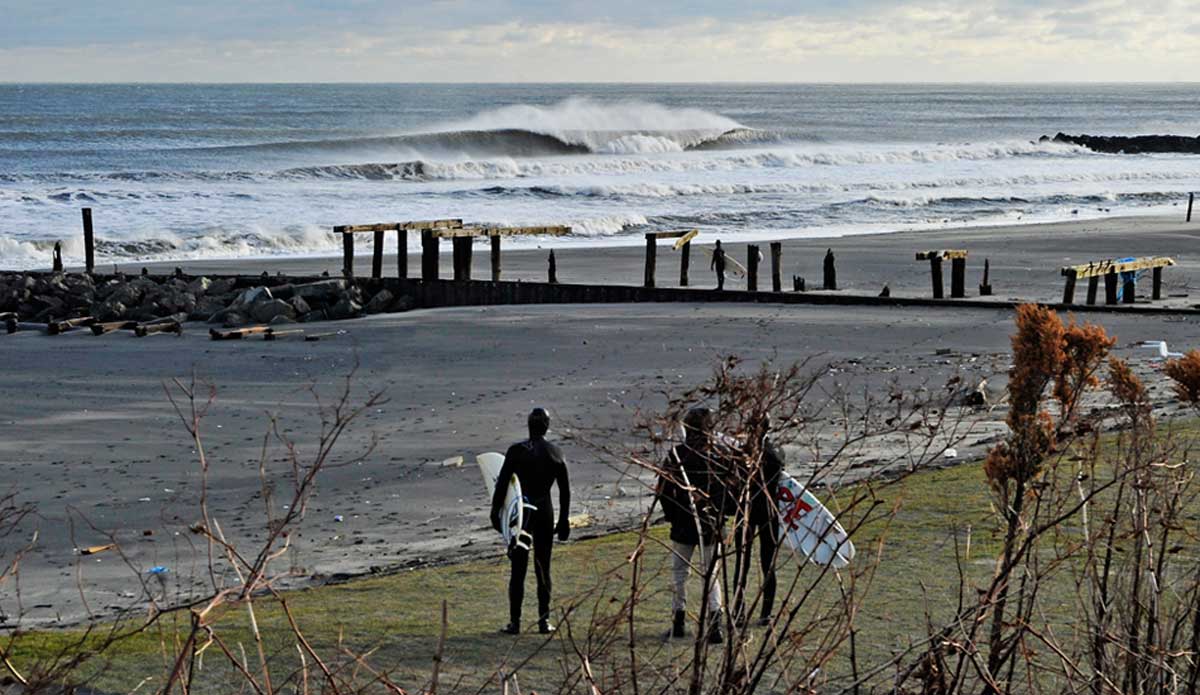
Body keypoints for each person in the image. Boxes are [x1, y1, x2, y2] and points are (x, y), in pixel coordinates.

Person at [655, 405, 733, 643]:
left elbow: (663, 491)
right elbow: (728, 493)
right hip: (710, 524)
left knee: (680, 573)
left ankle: (679, 620)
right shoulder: (719, 456)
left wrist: (672, 516)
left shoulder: (678, 455)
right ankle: (715, 624)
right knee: (712, 575)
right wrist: (720, 516)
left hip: (683, 523)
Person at [491, 408, 571, 635]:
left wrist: (496, 512)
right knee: (543, 567)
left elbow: (502, 484)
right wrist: (564, 519)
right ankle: (544, 621)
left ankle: (515, 622)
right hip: (545, 511)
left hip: (523, 513)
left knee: (518, 568)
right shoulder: (556, 452)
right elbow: (565, 491)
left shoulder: (516, 451)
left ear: (529, 425)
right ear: (547, 426)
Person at [731, 414, 783, 628]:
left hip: (746, 513)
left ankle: (738, 613)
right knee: (768, 564)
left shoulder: (741, 454)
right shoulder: (776, 452)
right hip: (770, 513)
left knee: (742, 565)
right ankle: (766, 614)